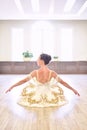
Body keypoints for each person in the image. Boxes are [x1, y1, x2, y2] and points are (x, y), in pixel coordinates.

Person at [5, 53, 80, 107]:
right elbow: (63, 82)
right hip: (49, 94)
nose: (36, 60)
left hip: (37, 94)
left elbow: (23, 81)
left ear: (42, 60)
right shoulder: (52, 73)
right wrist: (73, 90)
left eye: (38, 58)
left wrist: (12, 86)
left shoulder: (35, 72)